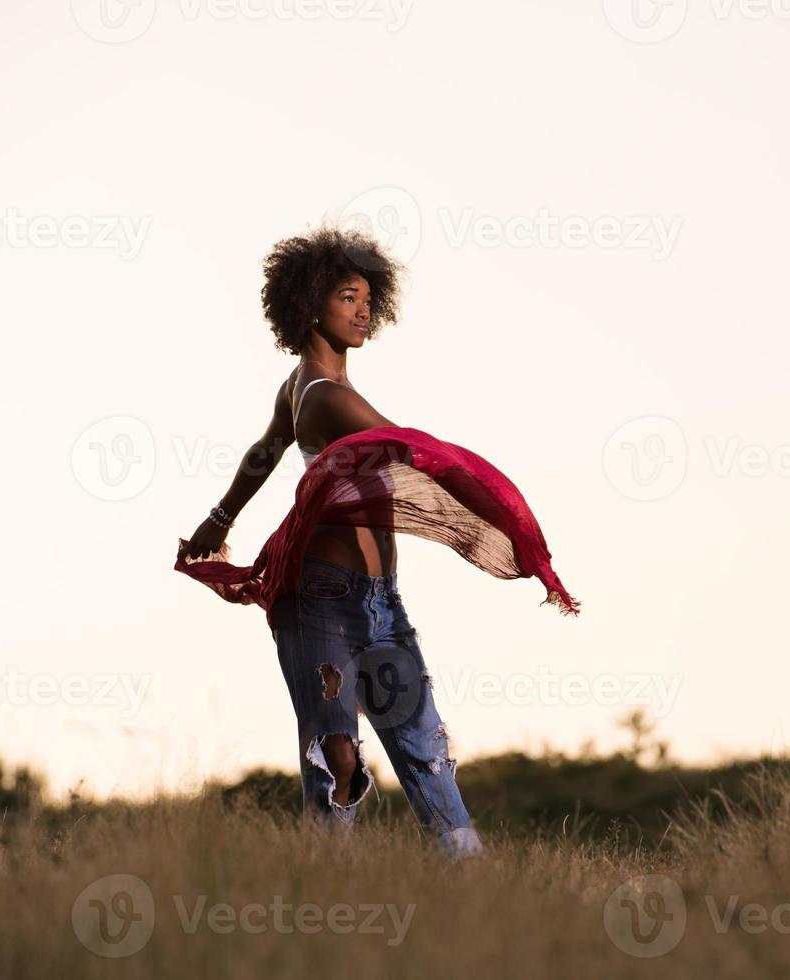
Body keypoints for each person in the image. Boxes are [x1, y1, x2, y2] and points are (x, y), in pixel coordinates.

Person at [177, 224, 579, 862]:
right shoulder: (327, 398)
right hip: (324, 603)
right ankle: (324, 897)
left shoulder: (302, 385)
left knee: (426, 752)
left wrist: (218, 520)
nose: (364, 310)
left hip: (380, 604)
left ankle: (472, 885)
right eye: (347, 297)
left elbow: (264, 452)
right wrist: (514, 533)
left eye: (368, 298)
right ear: (310, 303)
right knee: (337, 761)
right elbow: (424, 456)